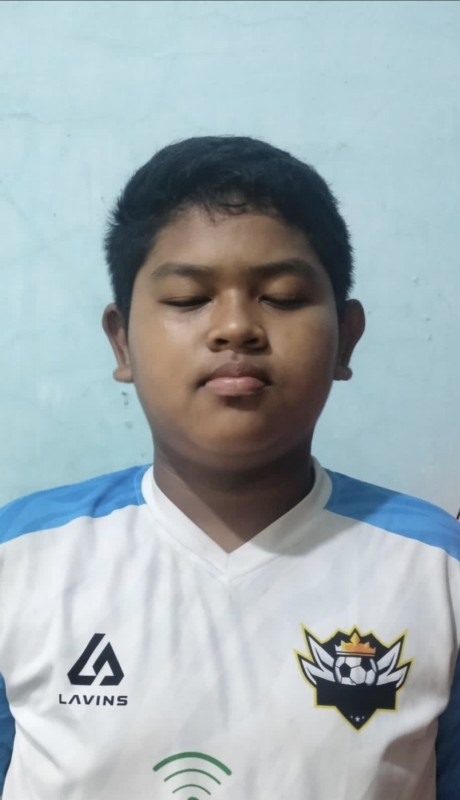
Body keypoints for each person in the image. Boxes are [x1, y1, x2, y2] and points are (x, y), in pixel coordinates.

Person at [0, 136, 458, 800]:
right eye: (189, 298)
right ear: (122, 342)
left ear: (347, 338)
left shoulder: (437, 569)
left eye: (283, 296)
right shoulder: (21, 560)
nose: (236, 327)